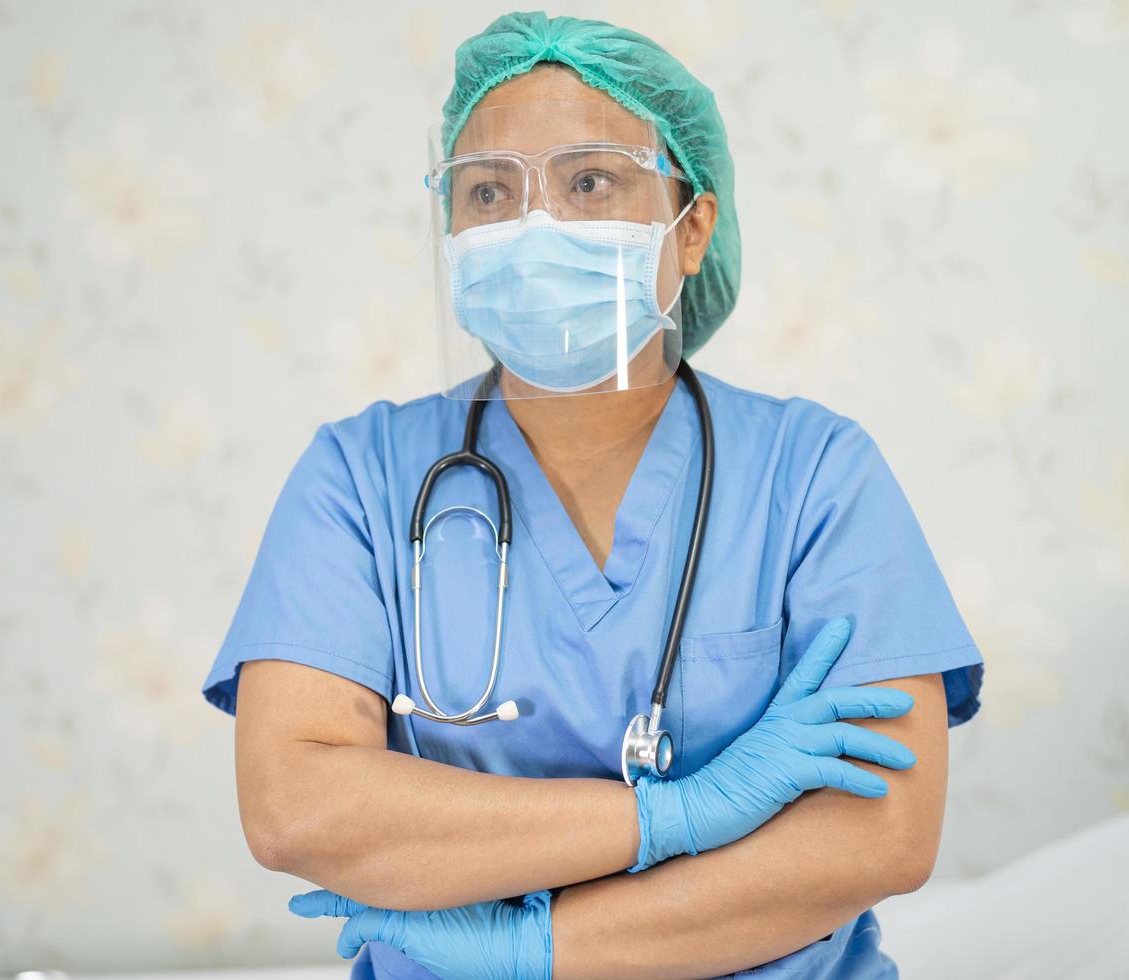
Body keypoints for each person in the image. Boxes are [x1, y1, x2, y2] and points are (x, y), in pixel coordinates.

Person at [201, 12, 984, 979]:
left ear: (690, 227)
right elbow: (297, 808)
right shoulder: (361, 477)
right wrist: (674, 816)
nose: (535, 226)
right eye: (489, 190)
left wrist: (534, 948)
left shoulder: (814, 472)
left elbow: (879, 837)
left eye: (589, 181)